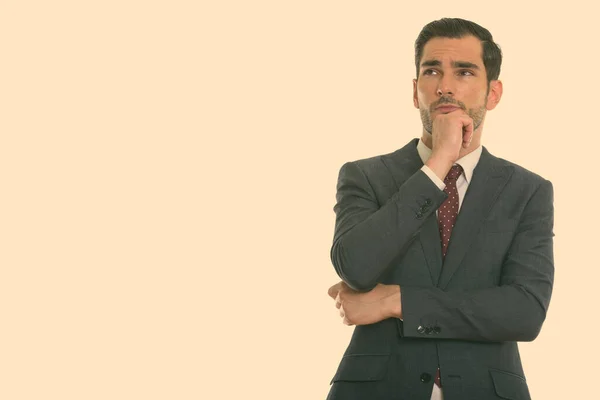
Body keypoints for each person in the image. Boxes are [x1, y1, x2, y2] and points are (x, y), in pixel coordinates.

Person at [325, 18, 554, 400]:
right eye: (432, 71)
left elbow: (525, 311)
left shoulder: (527, 190)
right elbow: (355, 266)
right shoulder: (365, 176)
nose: (445, 85)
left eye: (464, 72)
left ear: (493, 94)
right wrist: (439, 163)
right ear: (416, 92)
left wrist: (395, 301)